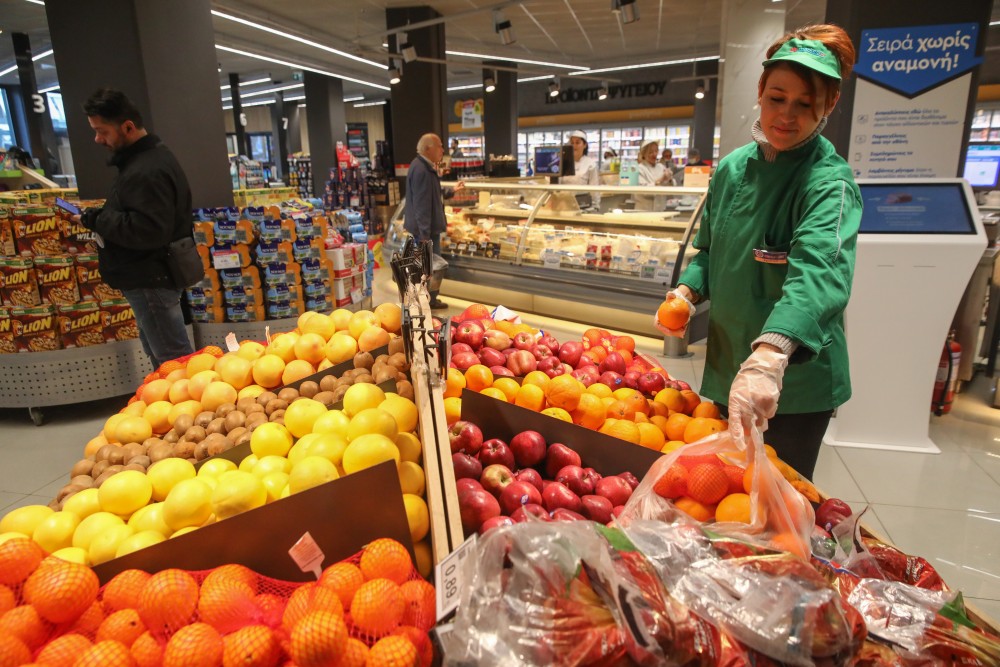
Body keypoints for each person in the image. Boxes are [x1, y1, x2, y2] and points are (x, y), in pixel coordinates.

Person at [662, 24, 861, 480]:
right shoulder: (733, 170)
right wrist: (686, 293)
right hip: (727, 365)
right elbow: (711, 252)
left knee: (776, 509)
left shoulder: (829, 183)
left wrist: (770, 356)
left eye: (805, 104)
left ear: (829, 105)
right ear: (760, 91)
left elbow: (818, 275)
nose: (786, 115)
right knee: (716, 492)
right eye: (777, 98)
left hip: (791, 382)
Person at [76, 88, 195, 369]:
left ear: (127, 127)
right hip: (150, 277)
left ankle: (185, 409)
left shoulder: (146, 170)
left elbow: (149, 229)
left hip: (150, 277)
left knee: (174, 361)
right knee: (164, 356)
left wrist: (97, 220)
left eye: (102, 131)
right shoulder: (149, 160)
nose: (97, 138)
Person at [405, 133, 464, 310]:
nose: (443, 150)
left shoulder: (423, 167)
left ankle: (429, 299)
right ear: (428, 148)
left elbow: (432, 194)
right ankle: (426, 301)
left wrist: (451, 190)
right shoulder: (422, 170)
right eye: (439, 146)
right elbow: (421, 206)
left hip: (426, 230)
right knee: (428, 268)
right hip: (426, 232)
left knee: (427, 267)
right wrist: (424, 235)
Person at [560, 130, 601, 208]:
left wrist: (596, 206)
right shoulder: (563, 163)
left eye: (577, 142)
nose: (574, 145)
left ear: (584, 145)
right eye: (572, 143)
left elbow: (594, 188)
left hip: (583, 205)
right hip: (564, 205)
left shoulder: (590, 164)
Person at [634, 140, 671, 210]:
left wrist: (670, 179)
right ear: (643, 154)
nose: (654, 154)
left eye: (656, 151)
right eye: (650, 152)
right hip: (644, 211)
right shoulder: (639, 169)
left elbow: (670, 190)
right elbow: (644, 191)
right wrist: (661, 179)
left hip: (660, 210)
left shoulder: (661, 167)